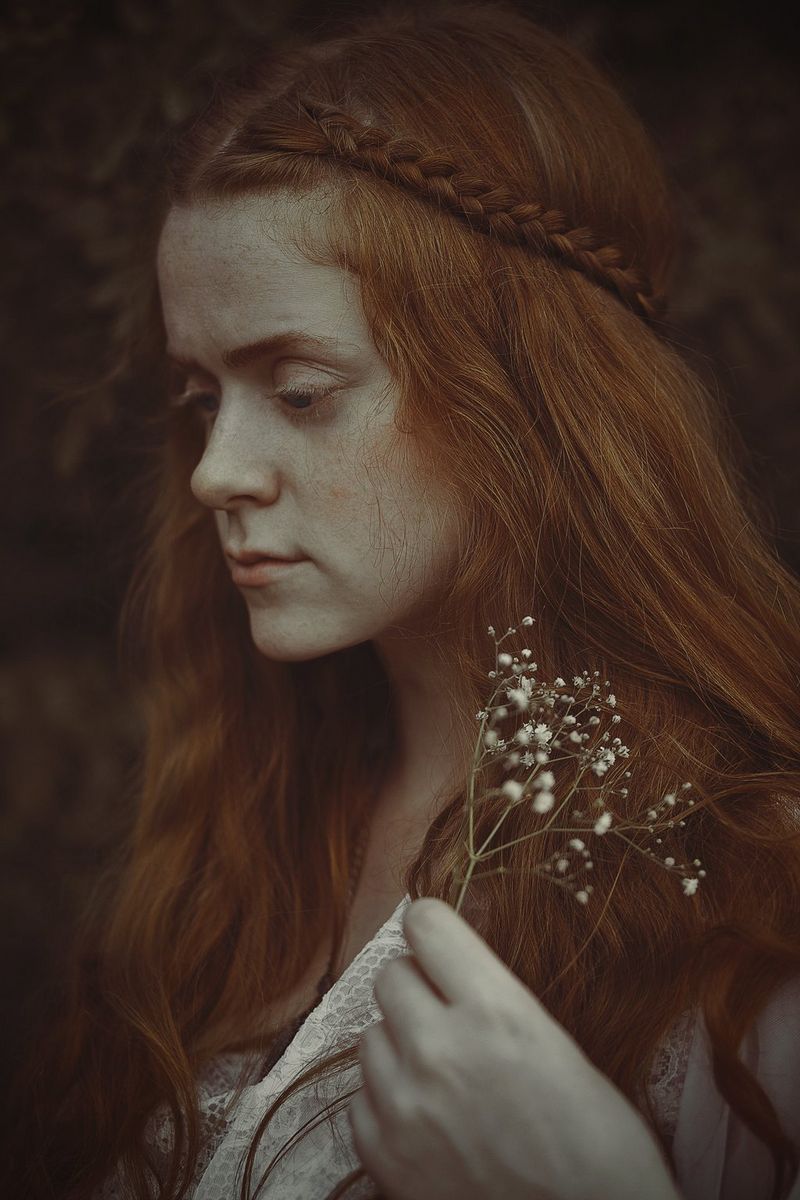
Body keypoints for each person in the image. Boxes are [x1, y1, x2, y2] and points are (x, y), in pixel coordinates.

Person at [5, 1, 800, 1198]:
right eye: (198, 394)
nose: (217, 468)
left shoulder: (748, 896)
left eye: (302, 388)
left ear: (521, 395)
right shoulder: (240, 835)